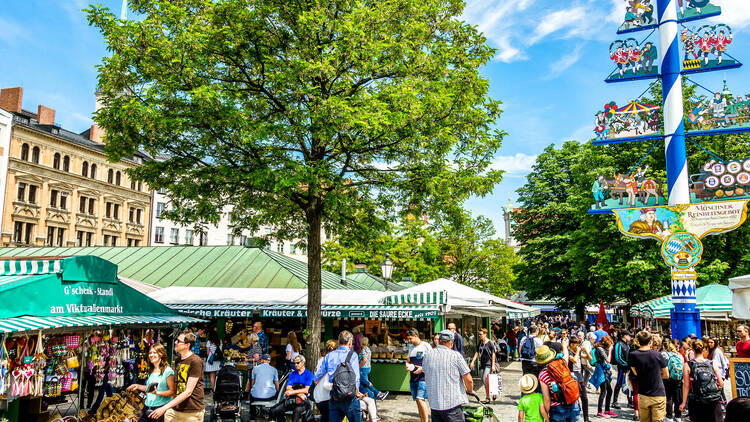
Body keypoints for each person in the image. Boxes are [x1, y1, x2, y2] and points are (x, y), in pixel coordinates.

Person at [150, 330, 204, 422]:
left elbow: (188, 392)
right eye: (176, 340)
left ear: (187, 345)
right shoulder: (179, 360)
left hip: (191, 412)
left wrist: (164, 408)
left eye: (179, 341)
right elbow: (176, 385)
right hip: (175, 409)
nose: (175, 342)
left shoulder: (195, 361)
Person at [422, 329, 473, 422]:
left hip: (434, 404)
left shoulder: (427, 355)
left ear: (440, 341)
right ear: (451, 342)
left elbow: (426, 374)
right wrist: (470, 390)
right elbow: (468, 379)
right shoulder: (455, 356)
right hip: (452, 403)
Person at [314, 331, 361, 422]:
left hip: (335, 396)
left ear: (338, 342)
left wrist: (316, 381)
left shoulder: (329, 356)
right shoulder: (353, 355)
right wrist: (357, 391)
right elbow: (356, 377)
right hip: (350, 397)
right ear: (350, 342)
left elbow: (318, 375)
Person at [127, 344, 175, 422]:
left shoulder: (168, 371)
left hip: (160, 409)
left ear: (161, 354)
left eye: (154, 352)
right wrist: (137, 386)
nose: (151, 355)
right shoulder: (152, 370)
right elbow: (150, 389)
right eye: (150, 353)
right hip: (147, 407)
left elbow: (172, 392)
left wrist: (158, 393)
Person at [680, 339, 724, 422]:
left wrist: (683, 402)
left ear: (692, 349)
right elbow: (721, 383)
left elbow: (686, 385)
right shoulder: (712, 363)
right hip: (713, 400)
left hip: (697, 400)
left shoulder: (688, 365)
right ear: (704, 349)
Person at [628, 331, 667, 422]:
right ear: (650, 342)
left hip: (643, 393)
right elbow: (666, 374)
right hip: (658, 393)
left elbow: (635, 372)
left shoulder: (633, 355)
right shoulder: (657, 355)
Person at [537, 344, 581, 422]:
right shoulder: (563, 362)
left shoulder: (543, 374)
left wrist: (546, 415)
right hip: (573, 403)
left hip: (557, 408)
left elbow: (546, 398)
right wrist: (564, 345)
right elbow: (566, 354)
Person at [273, 354, 314, 422]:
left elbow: (307, 390)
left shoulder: (309, 374)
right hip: (291, 399)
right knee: (277, 410)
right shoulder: (292, 374)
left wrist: (292, 392)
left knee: (297, 412)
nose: (295, 364)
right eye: (294, 363)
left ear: (303, 362)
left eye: (297, 362)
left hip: (302, 401)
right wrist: (299, 394)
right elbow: (288, 388)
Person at [405, 329, 431, 422]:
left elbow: (431, 361)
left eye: (410, 338)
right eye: (408, 339)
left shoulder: (426, 346)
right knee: (417, 400)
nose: (409, 341)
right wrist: (407, 365)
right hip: (413, 378)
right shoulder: (411, 347)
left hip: (423, 378)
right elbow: (408, 360)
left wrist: (422, 368)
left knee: (420, 399)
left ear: (416, 336)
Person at [470, 328, 497, 404]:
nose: (479, 336)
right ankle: (493, 391)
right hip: (482, 364)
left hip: (489, 364)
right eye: (479, 334)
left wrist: (493, 366)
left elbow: (493, 354)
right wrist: (473, 361)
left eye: (481, 334)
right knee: (482, 379)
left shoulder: (490, 343)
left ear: (485, 334)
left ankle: (487, 397)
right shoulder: (480, 343)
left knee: (485, 379)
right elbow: (477, 352)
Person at [314, 340, 338, 422]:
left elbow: (316, 379)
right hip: (327, 395)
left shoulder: (320, 360)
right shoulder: (333, 361)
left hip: (318, 395)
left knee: (325, 416)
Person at [662, 340, 684, 422]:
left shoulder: (664, 354)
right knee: (677, 398)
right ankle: (678, 416)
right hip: (678, 379)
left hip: (668, 378)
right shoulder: (679, 355)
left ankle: (669, 416)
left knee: (669, 397)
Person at [568, 337, 589, 422]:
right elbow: (574, 360)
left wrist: (585, 351)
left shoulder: (578, 351)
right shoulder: (567, 352)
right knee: (574, 397)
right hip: (572, 374)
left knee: (584, 397)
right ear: (571, 344)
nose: (576, 347)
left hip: (579, 375)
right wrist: (577, 351)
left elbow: (589, 358)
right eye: (575, 345)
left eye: (577, 345)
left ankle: (586, 418)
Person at [594, 336, 616, 418]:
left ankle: (607, 410)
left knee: (609, 391)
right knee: (603, 391)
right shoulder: (600, 349)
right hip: (602, 372)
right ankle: (599, 411)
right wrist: (610, 350)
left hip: (605, 372)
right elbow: (608, 360)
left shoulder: (601, 348)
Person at [612, 330, 633, 410]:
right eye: (629, 335)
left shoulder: (627, 345)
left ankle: (630, 402)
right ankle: (614, 401)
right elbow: (618, 357)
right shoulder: (619, 344)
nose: (630, 337)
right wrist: (626, 364)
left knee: (629, 384)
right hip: (622, 368)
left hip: (627, 367)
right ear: (624, 336)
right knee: (619, 383)